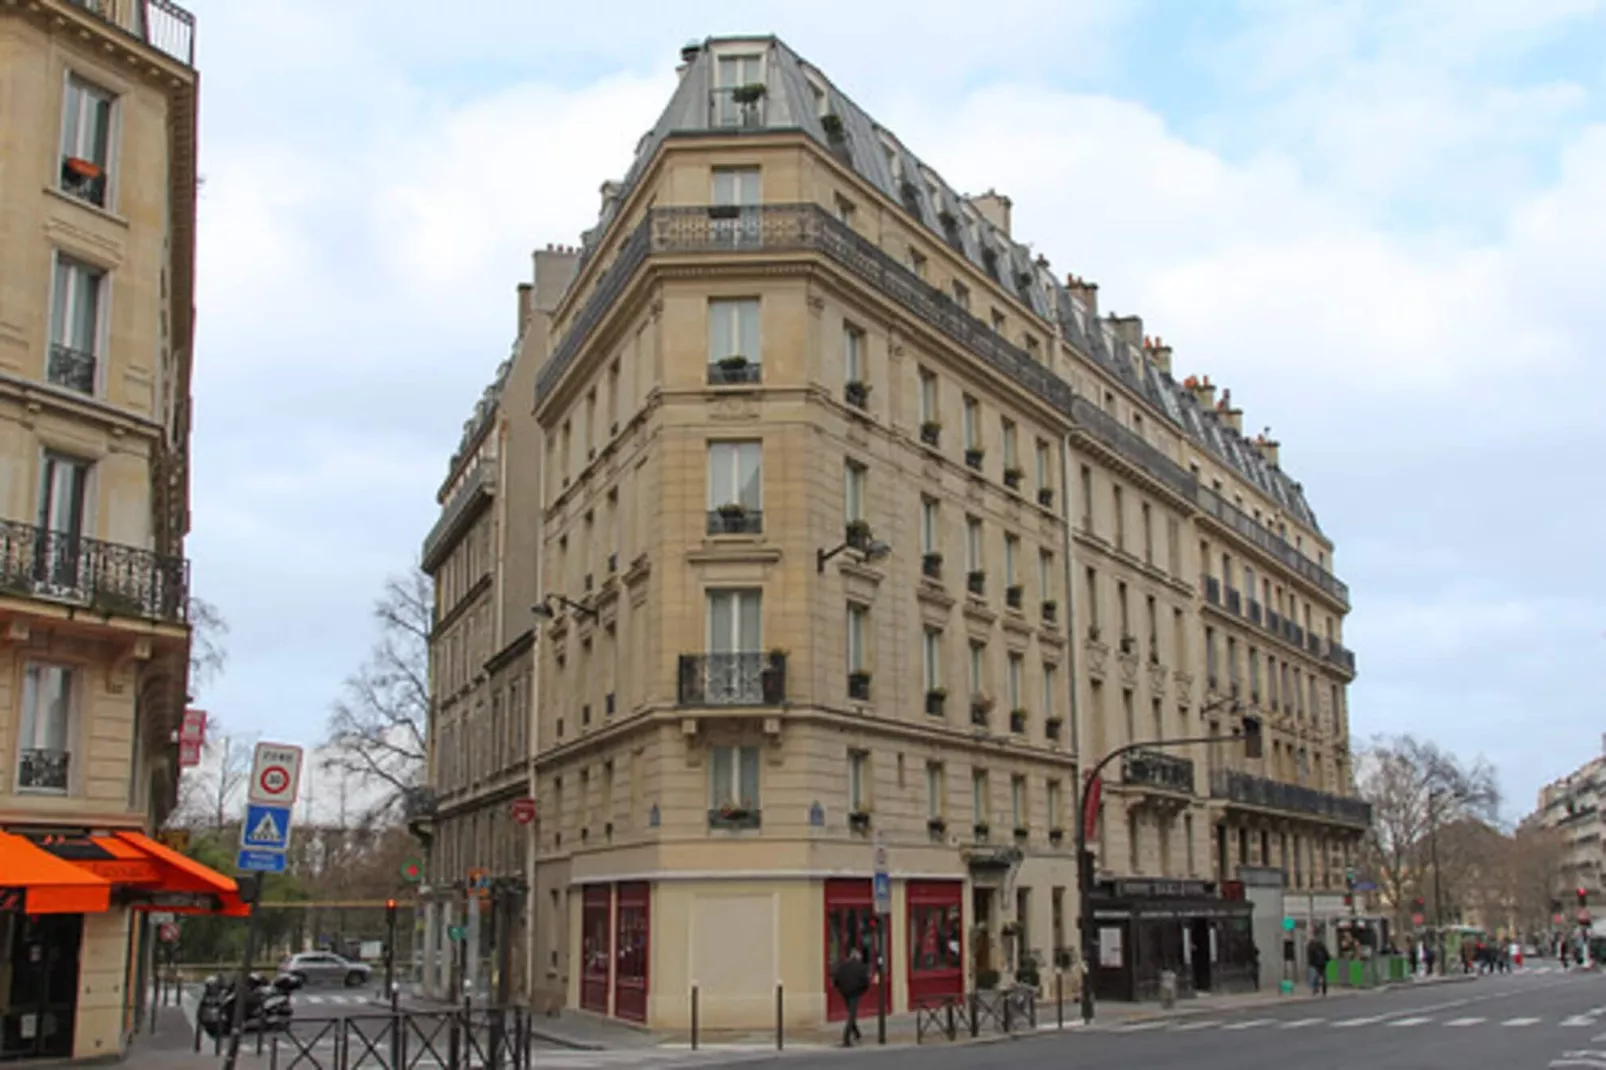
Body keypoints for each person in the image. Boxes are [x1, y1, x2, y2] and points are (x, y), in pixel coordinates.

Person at [831, 947, 871, 1047]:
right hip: (855, 992)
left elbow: (836, 979)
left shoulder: (843, 965)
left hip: (845, 992)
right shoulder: (861, 967)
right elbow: (866, 982)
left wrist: (840, 989)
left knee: (851, 1013)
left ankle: (857, 1034)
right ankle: (846, 1038)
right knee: (852, 1015)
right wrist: (861, 991)